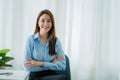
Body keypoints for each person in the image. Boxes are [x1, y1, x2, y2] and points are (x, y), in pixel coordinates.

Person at [24, 9, 67, 80]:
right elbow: (27, 66)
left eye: (49, 21)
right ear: (38, 22)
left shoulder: (56, 41)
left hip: (53, 75)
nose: (46, 24)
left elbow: (62, 65)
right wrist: (51, 63)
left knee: (63, 78)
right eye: (43, 20)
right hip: (35, 77)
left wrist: (40, 63)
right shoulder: (30, 40)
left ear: (52, 23)